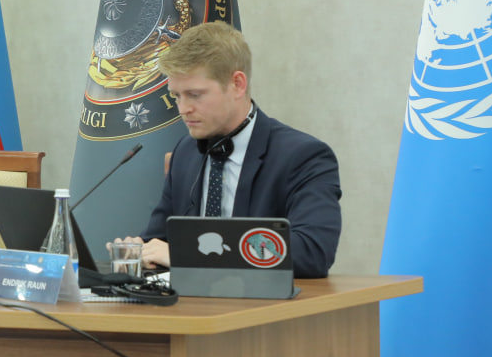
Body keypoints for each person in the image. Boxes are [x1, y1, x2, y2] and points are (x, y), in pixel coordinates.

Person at [118, 21, 342, 278]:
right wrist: (138, 252)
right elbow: (159, 241)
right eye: (176, 96)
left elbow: (313, 251)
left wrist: (190, 255)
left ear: (237, 84)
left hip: (259, 301)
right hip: (188, 300)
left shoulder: (303, 156)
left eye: (195, 95)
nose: (183, 109)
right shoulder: (185, 153)